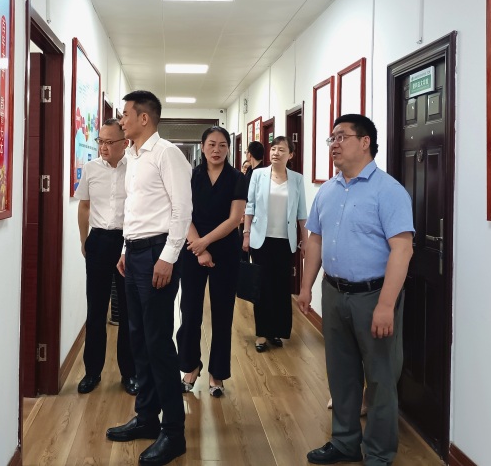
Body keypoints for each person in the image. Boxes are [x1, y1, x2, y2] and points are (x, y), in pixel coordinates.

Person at [298, 114, 414, 466]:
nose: (333, 144)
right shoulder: (327, 190)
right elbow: (315, 240)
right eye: (331, 138)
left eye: (341, 137)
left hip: (374, 296)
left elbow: (402, 249)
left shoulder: (388, 191)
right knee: (341, 374)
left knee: (380, 378)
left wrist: (386, 305)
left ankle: (378, 454)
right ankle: (345, 442)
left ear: (365, 142)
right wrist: (306, 287)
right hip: (334, 294)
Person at [106, 90, 192, 466]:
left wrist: (168, 257)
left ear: (144, 118)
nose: (121, 120)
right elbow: (136, 210)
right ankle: (146, 417)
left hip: (158, 253)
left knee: (158, 343)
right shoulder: (134, 156)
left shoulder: (166, 154)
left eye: (125, 114)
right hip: (135, 253)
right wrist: (126, 249)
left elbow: (182, 209)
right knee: (137, 338)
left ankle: (173, 432)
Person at [177, 127, 247, 398]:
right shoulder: (190, 176)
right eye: (211, 144)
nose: (216, 150)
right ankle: (190, 366)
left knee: (222, 313)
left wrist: (205, 243)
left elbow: (235, 219)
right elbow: (182, 213)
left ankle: (217, 374)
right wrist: (199, 247)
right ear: (203, 146)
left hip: (225, 251)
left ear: (228, 148)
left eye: (222, 145)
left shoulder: (237, 177)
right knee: (189, 311)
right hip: (192, 249)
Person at [75, 118, 138, 396]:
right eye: (100, 141)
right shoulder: (91, 169)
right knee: (96, 309)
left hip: (128, 242)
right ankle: (92, 372)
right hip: (99, 241)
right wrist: (83, 240)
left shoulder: (135, 168)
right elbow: (84, 206)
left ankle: (129, 373)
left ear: (125, 143)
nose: (103, 147)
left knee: (128, 311)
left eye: (109, 142)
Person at [242, 136, 307, 352]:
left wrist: (305, 240)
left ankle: (276, 331)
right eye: (273, 149)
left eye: (281, 150)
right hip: (261, 240)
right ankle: (262, 333)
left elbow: (301, 212)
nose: (276, 153)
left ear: (291, 155)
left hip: (285, 241)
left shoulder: (297, 179)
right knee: (262, 286)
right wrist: (246, 234)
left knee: (281, 287)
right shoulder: (258, 175)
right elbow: (250, 206)